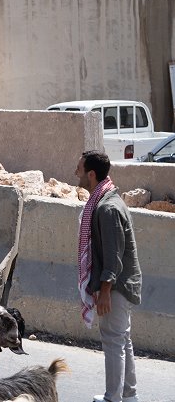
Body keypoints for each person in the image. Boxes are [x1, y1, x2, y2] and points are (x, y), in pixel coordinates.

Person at [75, 150, 142, 402]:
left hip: (116, 286)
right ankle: (128, 395)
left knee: (114, 341)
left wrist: (104, 291)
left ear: (91, 174)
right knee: (122, 340)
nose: (76, 173)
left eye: (79, 168)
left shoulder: (107, 208)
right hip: (119, 283)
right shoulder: (105, 200)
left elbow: (113, 255)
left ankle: (113, 398)